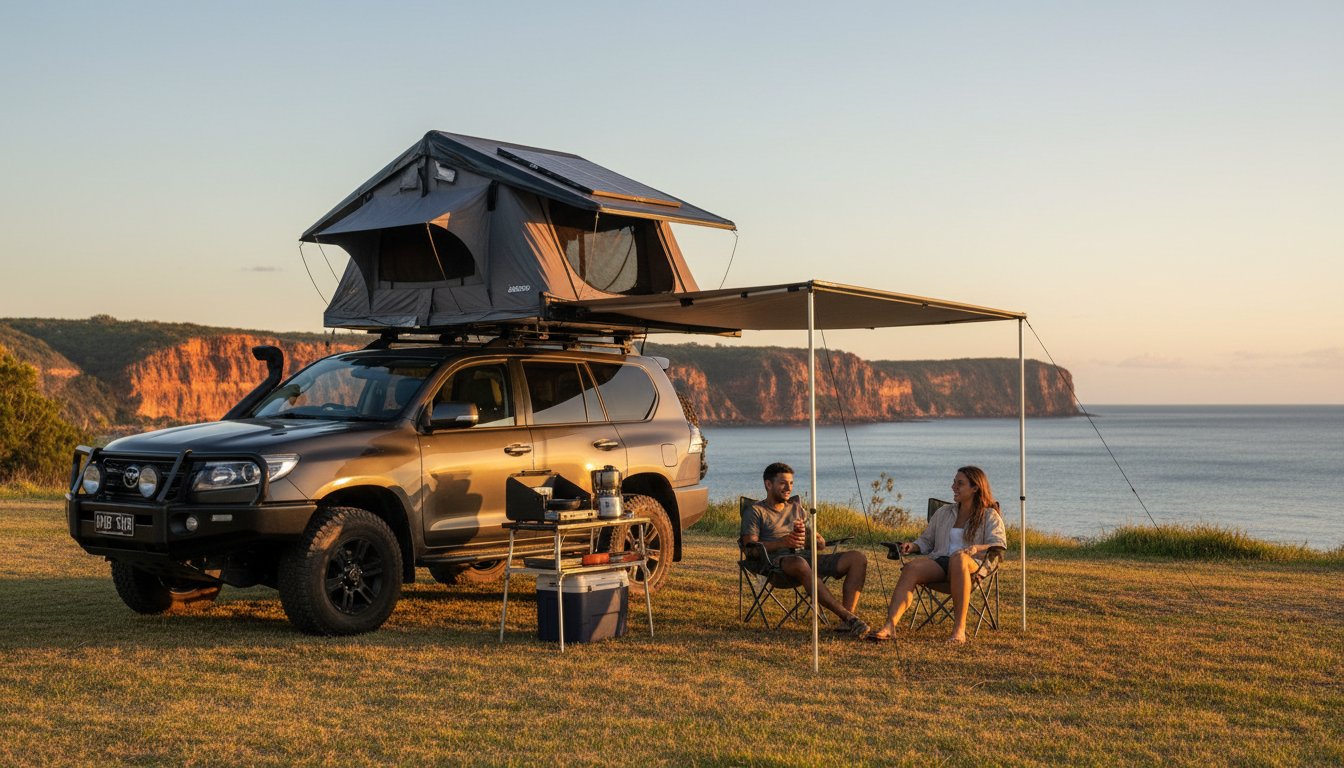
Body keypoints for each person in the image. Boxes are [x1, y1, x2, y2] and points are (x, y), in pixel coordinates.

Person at [867, 465, 1007, 645]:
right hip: (942, 562)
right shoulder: (944, 512)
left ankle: (959, 630)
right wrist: (914, 546)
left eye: (960, 483)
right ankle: (890, 626)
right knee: (911, 568)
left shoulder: (989, 515)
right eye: (954, 482)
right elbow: (926, 541)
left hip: (973, 566)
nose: (953, 487)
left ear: (975, 488)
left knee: (959, 559)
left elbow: (998, 544)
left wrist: (975, 548)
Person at [740, 462, 870, 637]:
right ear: (768, 484)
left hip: (806, 558)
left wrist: (816, 540)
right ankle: (849, 618)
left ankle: (846, 623)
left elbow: (816, 541)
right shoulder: (756, 511)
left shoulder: (796, 508)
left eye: (791, 483)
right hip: (775, 566)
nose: (788, 488)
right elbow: (750, 549)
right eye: (783, 483)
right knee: (799, 562)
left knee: (857, 558)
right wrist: (783, 543)